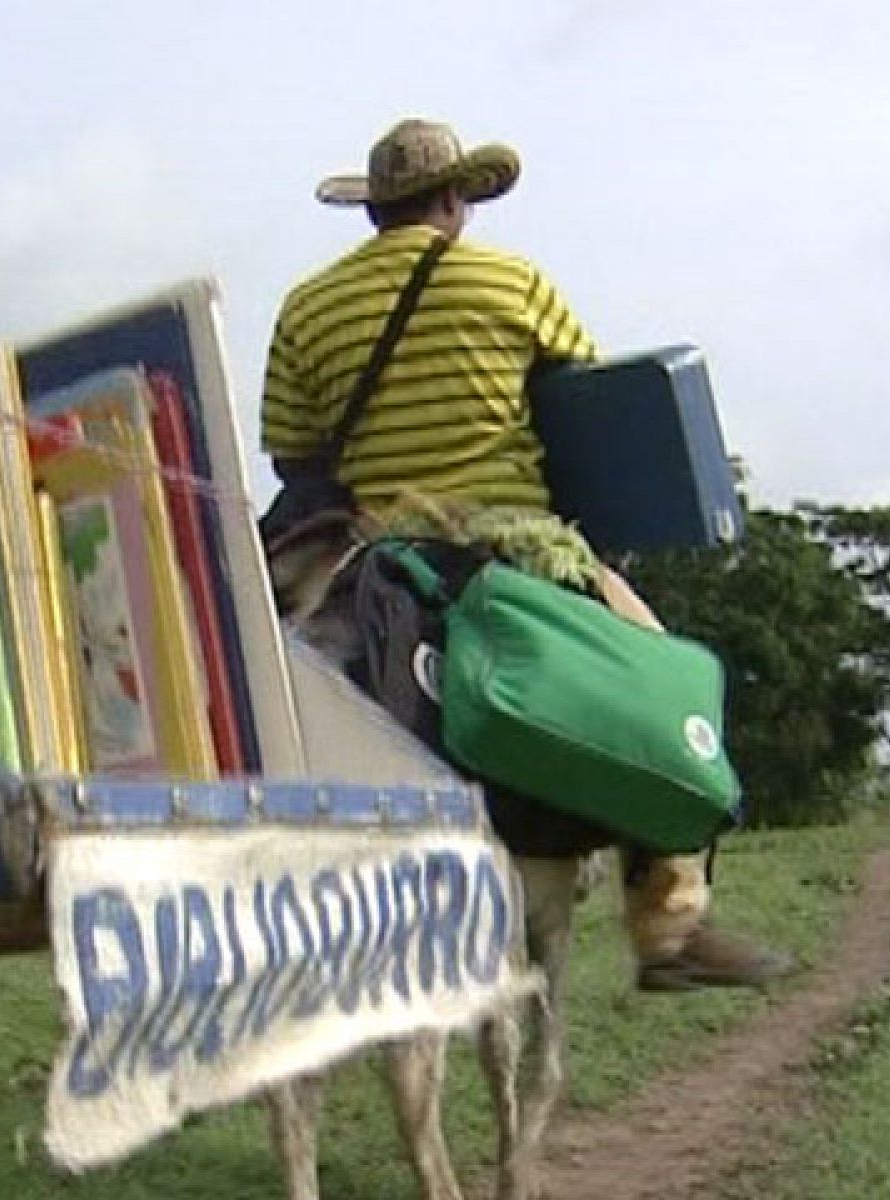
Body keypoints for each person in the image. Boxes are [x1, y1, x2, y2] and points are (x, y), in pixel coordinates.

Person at [260, 117, 793, 992]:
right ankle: (669, 927)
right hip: (513, 545)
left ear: (373, 216)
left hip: (372, 558)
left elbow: (292, 452)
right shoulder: (513, 281)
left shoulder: (307, 306)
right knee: (673, 689)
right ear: (456, 201)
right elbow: (582, 404)